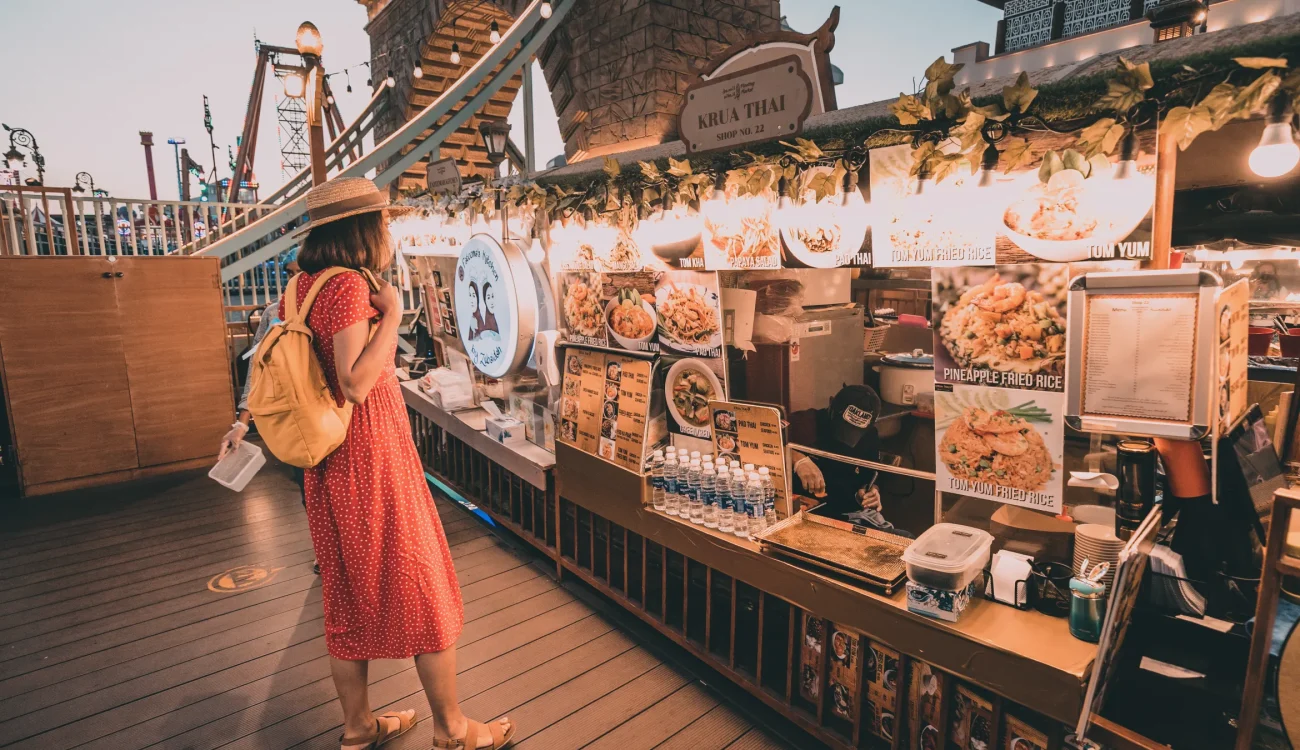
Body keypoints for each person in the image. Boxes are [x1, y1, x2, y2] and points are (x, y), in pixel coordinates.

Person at [278, 178, 514, 750]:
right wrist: (394, 316)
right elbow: (356, 381)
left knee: (347, 595)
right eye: (383, 222)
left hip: (328, 463)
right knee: (422, 584)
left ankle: (358, 728)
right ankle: (453, 730)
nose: (388, 231)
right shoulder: (348, 289)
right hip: (369, 459)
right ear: (364, 229)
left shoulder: (301, 285)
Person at [790, 384, 910, 538]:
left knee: (905, 538)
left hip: (849, 517)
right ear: (831, 404)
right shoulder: (804, 423)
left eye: (855, 432)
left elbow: (871, 478)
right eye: (843, 427)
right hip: (807, 517)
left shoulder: (869, 436)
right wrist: (796, 458)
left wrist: (871, 493)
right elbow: (762, 439)